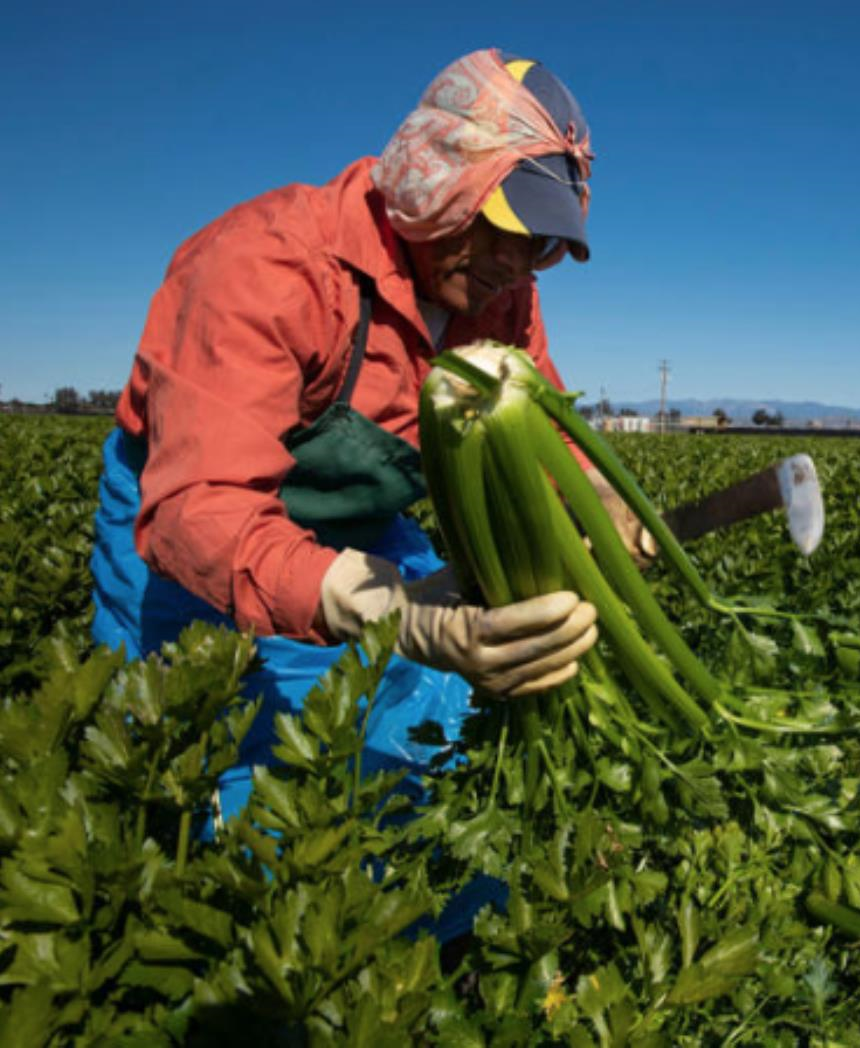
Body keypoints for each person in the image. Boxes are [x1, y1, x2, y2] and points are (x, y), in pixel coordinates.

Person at [90, 49, 649, 940]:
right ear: (436, 176)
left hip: (362, 519)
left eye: (543, 242)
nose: (521, 262)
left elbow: (536, 420)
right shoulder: (268, 266)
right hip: (198, 531)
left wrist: (591, 497)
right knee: (243, 787)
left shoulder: (503, 296)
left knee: (435, 728)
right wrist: (400, 614)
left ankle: (428, 931)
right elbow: (204, 511)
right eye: (508, 226)